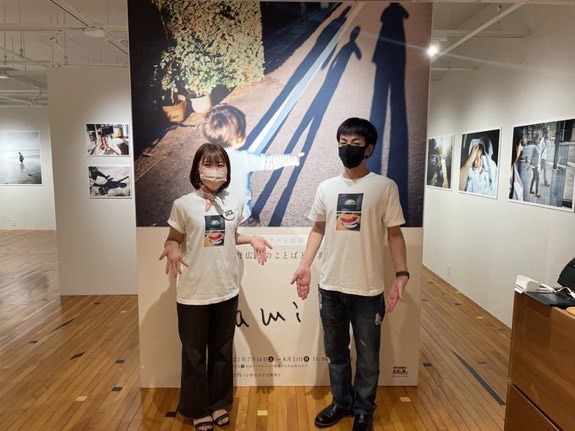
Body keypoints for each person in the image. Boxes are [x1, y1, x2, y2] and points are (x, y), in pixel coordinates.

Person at [290, 118, 409, 431]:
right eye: (343, 142)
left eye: (355, 143)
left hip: (368, 289)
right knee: (335, 352)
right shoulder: (326, 188)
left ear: (369, 149)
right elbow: (318, 228)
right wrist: (305, 264)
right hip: (331, 286)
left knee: (368, 358)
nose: (348, 148)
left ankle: (364, 410)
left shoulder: (384, 187)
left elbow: (395, 234)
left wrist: (401, 273)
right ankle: (341, 403)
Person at [159, 143, 272, 431]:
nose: (215, 169)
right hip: (193, 293)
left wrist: (252, 239)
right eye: (208, 164)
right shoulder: (183, 205)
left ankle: (219, 403)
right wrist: (172, 248)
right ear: (197, 169)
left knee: (222, 351)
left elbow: (229, 235)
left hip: (226, 288)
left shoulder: (234, 201)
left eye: (220, 164)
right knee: (194, 354)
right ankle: (197, 408)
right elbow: (173, 238)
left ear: (227, 170)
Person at [203, 104, 304, 226]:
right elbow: (269, 161)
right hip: (241, 217)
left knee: (220, 237)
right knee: (251, 236)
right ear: (238, 138)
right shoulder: (243, 158)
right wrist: (293, 159)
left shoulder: (207, 158)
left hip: (215, 215)